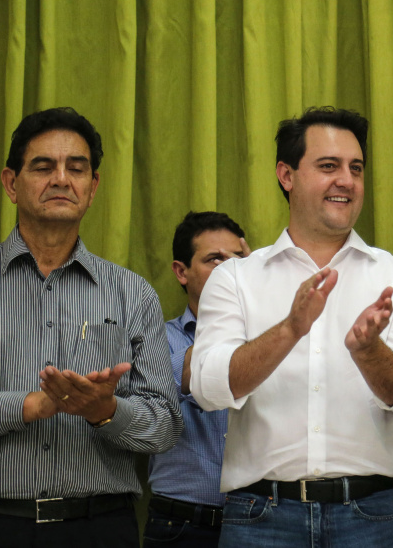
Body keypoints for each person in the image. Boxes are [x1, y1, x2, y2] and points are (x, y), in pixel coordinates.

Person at [190, 106, 393, 547]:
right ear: (287, 175)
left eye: (355, 168)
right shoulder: (235, 278)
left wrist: (369, 351)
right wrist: (289, 329)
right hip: (261, 517)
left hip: (373, 517)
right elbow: (208, 390)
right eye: (329, 166)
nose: (346, 179)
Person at [0, 107, 182, 547]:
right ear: (10, 183)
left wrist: (105, 412)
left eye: (76, 168)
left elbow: (166, 424)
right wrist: (26, 406)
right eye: (43, 166)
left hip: (99, 527)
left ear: (92, 187)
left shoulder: (132, 294)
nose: (61, 178)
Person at [145, 211, 250, 547]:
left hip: (259, 521)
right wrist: (227, 318)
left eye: (238, 258)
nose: (230, 268)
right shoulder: (157, 340)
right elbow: (181, 379)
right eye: (214, 259)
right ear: (181, 272)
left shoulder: (271, 343)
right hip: (180, 524)